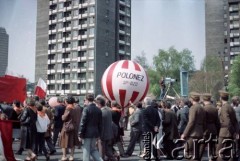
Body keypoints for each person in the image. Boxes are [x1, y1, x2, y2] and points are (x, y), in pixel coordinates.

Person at [181, 92, 206, 161]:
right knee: (197, 154)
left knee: (188, 152)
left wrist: (184, 133)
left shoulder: (193, 108)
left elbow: (191, 122)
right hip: (200, 133)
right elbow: (204, 122)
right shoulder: (202, 108)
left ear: (192, 99)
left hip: (193, 134)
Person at [79, 94, 103, 161]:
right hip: (95, 132)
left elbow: (83, 122)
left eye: (85, 100)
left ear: (87, 100)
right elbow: (100, 124)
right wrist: (99, 134)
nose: (84, 102)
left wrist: (80, 134)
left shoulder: (86, 109)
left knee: (86, 150)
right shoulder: (98, 110)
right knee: (93, 149)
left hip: (87, 133)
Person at [217, 91, 239, 161]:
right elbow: (235, 122)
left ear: (220, 98)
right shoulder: (231, 107)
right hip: (230, 133)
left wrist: (233, 132)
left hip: (224, 133)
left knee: (219, 153)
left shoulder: (224, 108)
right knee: (228, 153)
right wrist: (235, 132)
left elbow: (227, 122)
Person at [199, 93, 220, 161]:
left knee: (202, 146)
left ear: (203, 99)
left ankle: (198, 158)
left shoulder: (203, 108)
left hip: (205, 129)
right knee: (212, 147)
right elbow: (217, 121)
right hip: (213, 129)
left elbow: (202, 120)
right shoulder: (215, 108)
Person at [95, 96, 116, 161]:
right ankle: (113, 158)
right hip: (109, 133)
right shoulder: (109, 110)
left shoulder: (101, 112)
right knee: (107, 150)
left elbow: (101, 126)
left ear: (99, 104)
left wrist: (99, 136)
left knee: (101, 152)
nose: (96, 105)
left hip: (103, 135)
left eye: (96, 104)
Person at [59, 96, 80, 161]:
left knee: (63, 142)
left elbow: (64, 118)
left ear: (67, 101)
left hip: (67, 127)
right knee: (72, 142)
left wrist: (62, 116)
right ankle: (71, 156)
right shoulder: (77, 108)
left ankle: (64, 156)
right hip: (74, 127)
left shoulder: (68, 108)